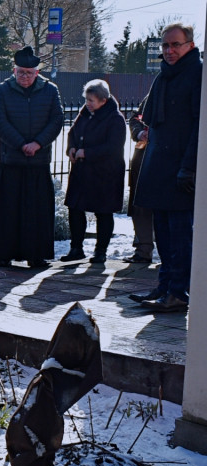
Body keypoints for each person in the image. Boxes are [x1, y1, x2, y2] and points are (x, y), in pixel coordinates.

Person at [129, 23, 201, 313]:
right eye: (166, 46)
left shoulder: (197, 74)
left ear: (190, 46)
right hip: (159, 164)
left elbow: (199, 126)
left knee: (180, 234)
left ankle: (178, 292)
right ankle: (164, 285)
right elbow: (146, 118)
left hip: (181, 167)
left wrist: (190, 168)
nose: (170, 51)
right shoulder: (163, 76)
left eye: (176, 45)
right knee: (163, 231)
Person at [0, 46, 63, 269]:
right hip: (11, 160)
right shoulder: (2, 90)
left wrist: (38, 143)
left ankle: (37, 256)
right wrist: (21, 144)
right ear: (14, 70)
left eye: (29, 73)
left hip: (38, 162)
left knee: (37, 213)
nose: (25, 77)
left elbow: (56, 120)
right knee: (7, 211)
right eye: (21, 72)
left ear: (37, 73)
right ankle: (3, 254)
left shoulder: (50, 90)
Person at [62, 80, 127, 264]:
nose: (88, 103)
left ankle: (101, 251)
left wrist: (88, 153)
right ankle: (76, 248)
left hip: (105, 174)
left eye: (92, 100)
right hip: (82, 172)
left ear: (103, 101)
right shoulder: (85, 114)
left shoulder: (115, 118)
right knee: (75, 208)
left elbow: (113, 147)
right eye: (87, 99)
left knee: (103, 212)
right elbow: (72, 134)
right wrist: (72, 148)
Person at [124, 95, 154, 264]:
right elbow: (135, 118)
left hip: (167, 160)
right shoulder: (152, 94)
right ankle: (143, 249)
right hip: (143, 159)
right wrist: (140, 132)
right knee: (140, 206)